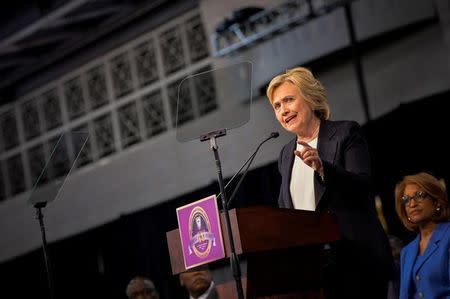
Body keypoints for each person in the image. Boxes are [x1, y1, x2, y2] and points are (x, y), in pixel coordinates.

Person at [266, 66, 393, 299]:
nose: (283, 110)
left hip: (358, 264)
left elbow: (363, 186)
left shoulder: (346, 133)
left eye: (289, 100)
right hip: (315, 273)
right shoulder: (286, 155)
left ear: (310, 99)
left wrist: (325, 169)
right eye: (277, 106)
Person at [394, 172, 450, 299]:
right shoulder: (406, 252)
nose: (412, 204)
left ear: (436, 201)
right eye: (406, 199)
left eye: (419, 195)